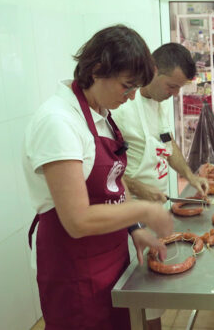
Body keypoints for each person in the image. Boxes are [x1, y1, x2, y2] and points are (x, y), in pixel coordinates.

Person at [23, 25, 173, 330]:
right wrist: (144, 210)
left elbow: (114, 185)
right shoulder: (58, 122)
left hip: (111, 255)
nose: (131, 98)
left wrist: (135, 229)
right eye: (126, 86)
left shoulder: (102, 116)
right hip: (73, 266)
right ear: (96, 70)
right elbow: (76, 221)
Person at [113, 42, 209, 203]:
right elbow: (103, 170)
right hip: (130, 207)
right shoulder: (120, 108)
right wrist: (138, 188)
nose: (175, 94)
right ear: (153, 70)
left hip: (157, 204)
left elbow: (167, 142)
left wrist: (190, 176)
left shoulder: (159, 101)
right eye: (171, 86)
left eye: (179, 88)